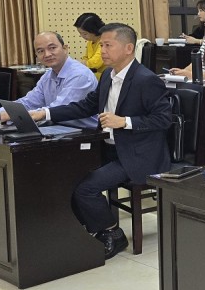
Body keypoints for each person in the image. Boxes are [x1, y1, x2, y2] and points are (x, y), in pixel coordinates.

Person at [32, 23, 172, 258]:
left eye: (108, 45)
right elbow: (86, 105)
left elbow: (164, 119)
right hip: (108, 149)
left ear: (128, 48)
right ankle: (91, 229)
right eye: (101, 45)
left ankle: (113, 234)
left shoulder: (146, 79)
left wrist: (124, 121)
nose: (102, 51)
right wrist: (45, 113)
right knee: (67, 178)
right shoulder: (108, 75)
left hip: (138, 154)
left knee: (85, 188)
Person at [0, 32, 97, 128]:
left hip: (84, 134)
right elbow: (29, 102)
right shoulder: (48, 76)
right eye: (40, 51)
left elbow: (59, 109)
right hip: (58, 130)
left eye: (52, 48)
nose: (47, 54)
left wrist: (6, 115)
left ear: (65, 48)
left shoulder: (80, 75)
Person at [74, 13, 107, 80]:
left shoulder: (104, 41)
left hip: (105, 76)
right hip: (95, 75)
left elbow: (96, 63)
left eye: (85, 34)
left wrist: (83, 63)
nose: (82, 36)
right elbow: (86, 58)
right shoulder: (90, 42)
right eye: (80, 33)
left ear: (94, 30)